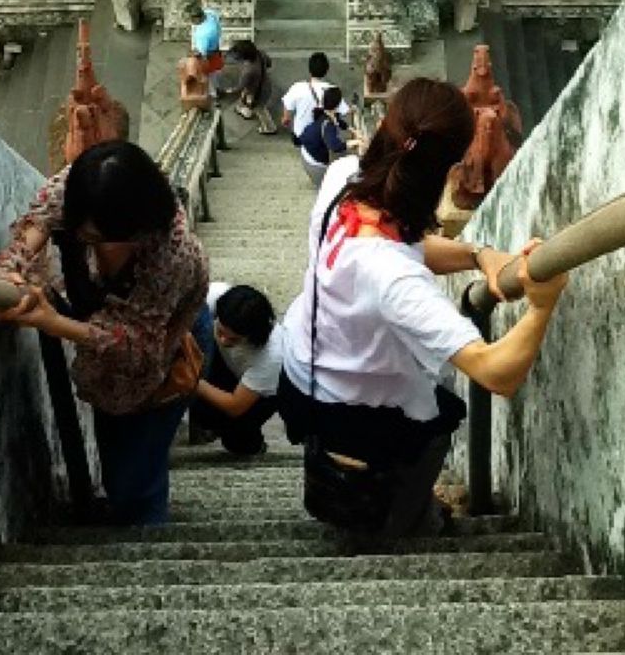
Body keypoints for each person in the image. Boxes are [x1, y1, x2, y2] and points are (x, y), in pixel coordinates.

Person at [278, 77, 568, 538]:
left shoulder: (344, 178)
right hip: (353, 410)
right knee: (433, 428)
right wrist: (541, 306)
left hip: (302, 369)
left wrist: (477, 255)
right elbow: (496, 372)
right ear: (448, 172)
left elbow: (400, 243)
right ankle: (408, 519)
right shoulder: (395, 278)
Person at [0, 140, 211, 527]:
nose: (90, 246)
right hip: (113, 340)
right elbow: (41, 222)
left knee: (133, 480)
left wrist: (52, 322)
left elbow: (140, 346)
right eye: (84, 236)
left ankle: (144, 526)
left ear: (138, 229)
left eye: (100, 238)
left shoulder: (173, 256)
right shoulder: (85, 186)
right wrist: (8, 269)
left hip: (165, 341)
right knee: (117, 455)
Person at [191, 282, 283, 457]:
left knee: (239, 442)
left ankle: (255, 446)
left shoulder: (272, 356)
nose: (224, 340)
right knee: (201, 410)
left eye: (233, 339)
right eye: (220, 331)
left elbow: (235, 405)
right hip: (227, 364)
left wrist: (192, 381)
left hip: (258, 394)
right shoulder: (215, 296)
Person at [282, 52, 348, 139]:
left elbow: (287, 107)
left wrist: (286, 118)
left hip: (301, 135)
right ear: (326, 70)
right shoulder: (333, 90)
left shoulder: (297, 87)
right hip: (324, 137)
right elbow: (344, 111)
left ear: (309, 69)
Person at [296, 85, 351, 189]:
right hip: (315, 165)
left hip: (307, 152)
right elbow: (335, 146)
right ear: (338, 104)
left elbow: (338, 121)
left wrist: (351, 129)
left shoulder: (322, 112)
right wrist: (354, 142)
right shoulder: (328, 125)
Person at [226, 38, 275, 132]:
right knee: (248, 100)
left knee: (260, 109)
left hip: (257, 92)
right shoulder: (260, 54)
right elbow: (269, 63)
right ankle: (246, 110)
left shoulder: (248, 70)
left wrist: (231, 90)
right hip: (264, 84)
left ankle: (269, 128)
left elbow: (241, 86)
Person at [188, 0, 223, 98]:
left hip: (209, 57)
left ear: (197, 18)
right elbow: (219, 28)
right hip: (216, 49)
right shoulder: (210, 13)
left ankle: (214, 93)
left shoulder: (203, 35)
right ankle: (217, 87)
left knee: (210, 77)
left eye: (192, 19)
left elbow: (200, 54)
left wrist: (192, 54)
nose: (191, 22)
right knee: (216, 73)